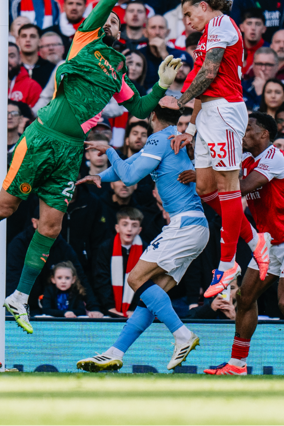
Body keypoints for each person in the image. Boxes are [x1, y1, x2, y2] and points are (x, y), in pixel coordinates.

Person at [0, 0, 181, 334]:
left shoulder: (118, 71)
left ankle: (18, 298)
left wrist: (162, 83)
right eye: (110, 16)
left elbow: (144, 107)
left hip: (70, 152)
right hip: (42, 136)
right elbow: (109, 1)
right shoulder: (86, 39)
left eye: (116, 21)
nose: (112, 19)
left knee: (50, 227)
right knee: (6, 204)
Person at [75, 105, 208, 372]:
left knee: (135, 279)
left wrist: (110, 150)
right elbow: (130, 167)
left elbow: (129, 175)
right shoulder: (170, 138)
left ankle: (182, 334)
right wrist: (99, 176)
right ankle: (116, 351)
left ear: (152, 117)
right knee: (151, 296)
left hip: (184, 224)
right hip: (196, 226)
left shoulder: (159, 139)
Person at [204, 112, 284, 376]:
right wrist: (202, 173)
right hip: (268, 239)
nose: (242, 134)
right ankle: (237, 365)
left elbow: (241, 188)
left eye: (247, 129)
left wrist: (209, 182)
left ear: (264, 134)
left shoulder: (275, 157)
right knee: (245, 299)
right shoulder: (245, 158)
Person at [172, 0, 266, 298]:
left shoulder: (221, 24)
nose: (186, 20)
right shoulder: (206, 34)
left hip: (225, 111)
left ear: (204, 5)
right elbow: (204, 83)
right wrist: (192, 128)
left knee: (228, 188)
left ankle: (228, 264)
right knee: (205, 187)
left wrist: (180, 100)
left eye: (188, 13)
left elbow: (209, 73)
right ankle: (255, 241)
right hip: (209, 114)